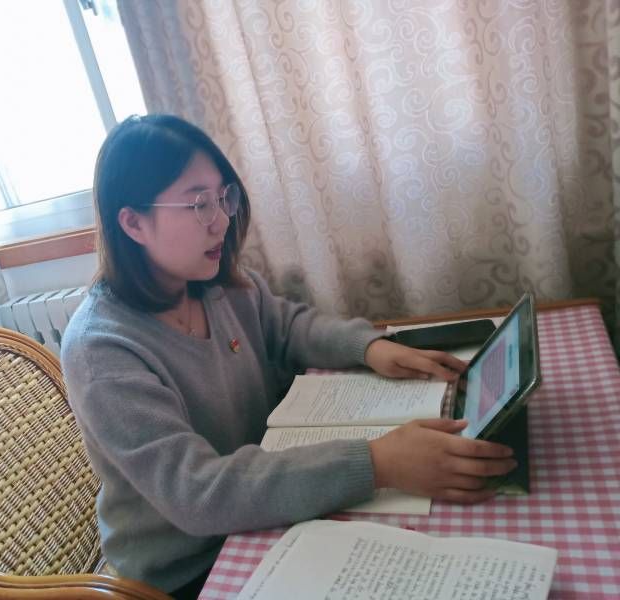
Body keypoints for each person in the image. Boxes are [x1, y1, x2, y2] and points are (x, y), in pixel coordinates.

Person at [61, 114, 517, 599]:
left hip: (264, 504)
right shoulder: (102, 350)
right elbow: (199, 494)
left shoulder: (212, 283)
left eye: (223, 197)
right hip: (190, 568)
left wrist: (369, 347)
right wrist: (378, 462)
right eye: (198, 204)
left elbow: (288, 326)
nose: (222, 220)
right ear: (133, 223)